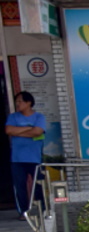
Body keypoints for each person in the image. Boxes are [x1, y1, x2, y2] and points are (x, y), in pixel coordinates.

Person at [5, 91, 46, 221]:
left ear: (29, 103)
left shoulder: (39, 117)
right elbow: (8, 130)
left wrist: (18, 131)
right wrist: (29, 129)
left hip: (35, 158)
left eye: (20, 101)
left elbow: (38, 131)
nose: (18, 104)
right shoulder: (13, 117)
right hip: (17, 158)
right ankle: (23, 212)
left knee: (38, 185)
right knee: (20, 187)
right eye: (16, 102)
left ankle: (42, 210)